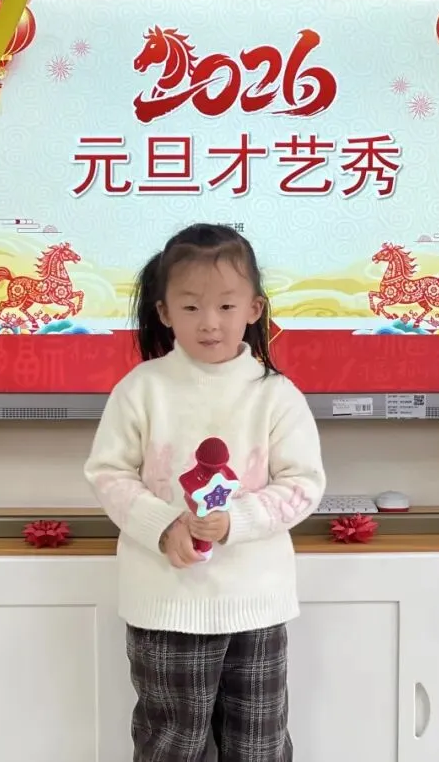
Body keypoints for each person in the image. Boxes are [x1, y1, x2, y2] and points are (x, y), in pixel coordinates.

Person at [84, 223, 326, 761]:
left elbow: (304, 482)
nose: (210, 322)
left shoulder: (276, 394)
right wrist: (164, 526)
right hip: (166, 607)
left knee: (259, 747)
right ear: (165, 311)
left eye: (226, 306)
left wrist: (238, 520)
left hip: (256, 604)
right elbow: (107, 472)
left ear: (254, 309)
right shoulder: (142, 388)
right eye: (191, 307)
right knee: (171, 746)